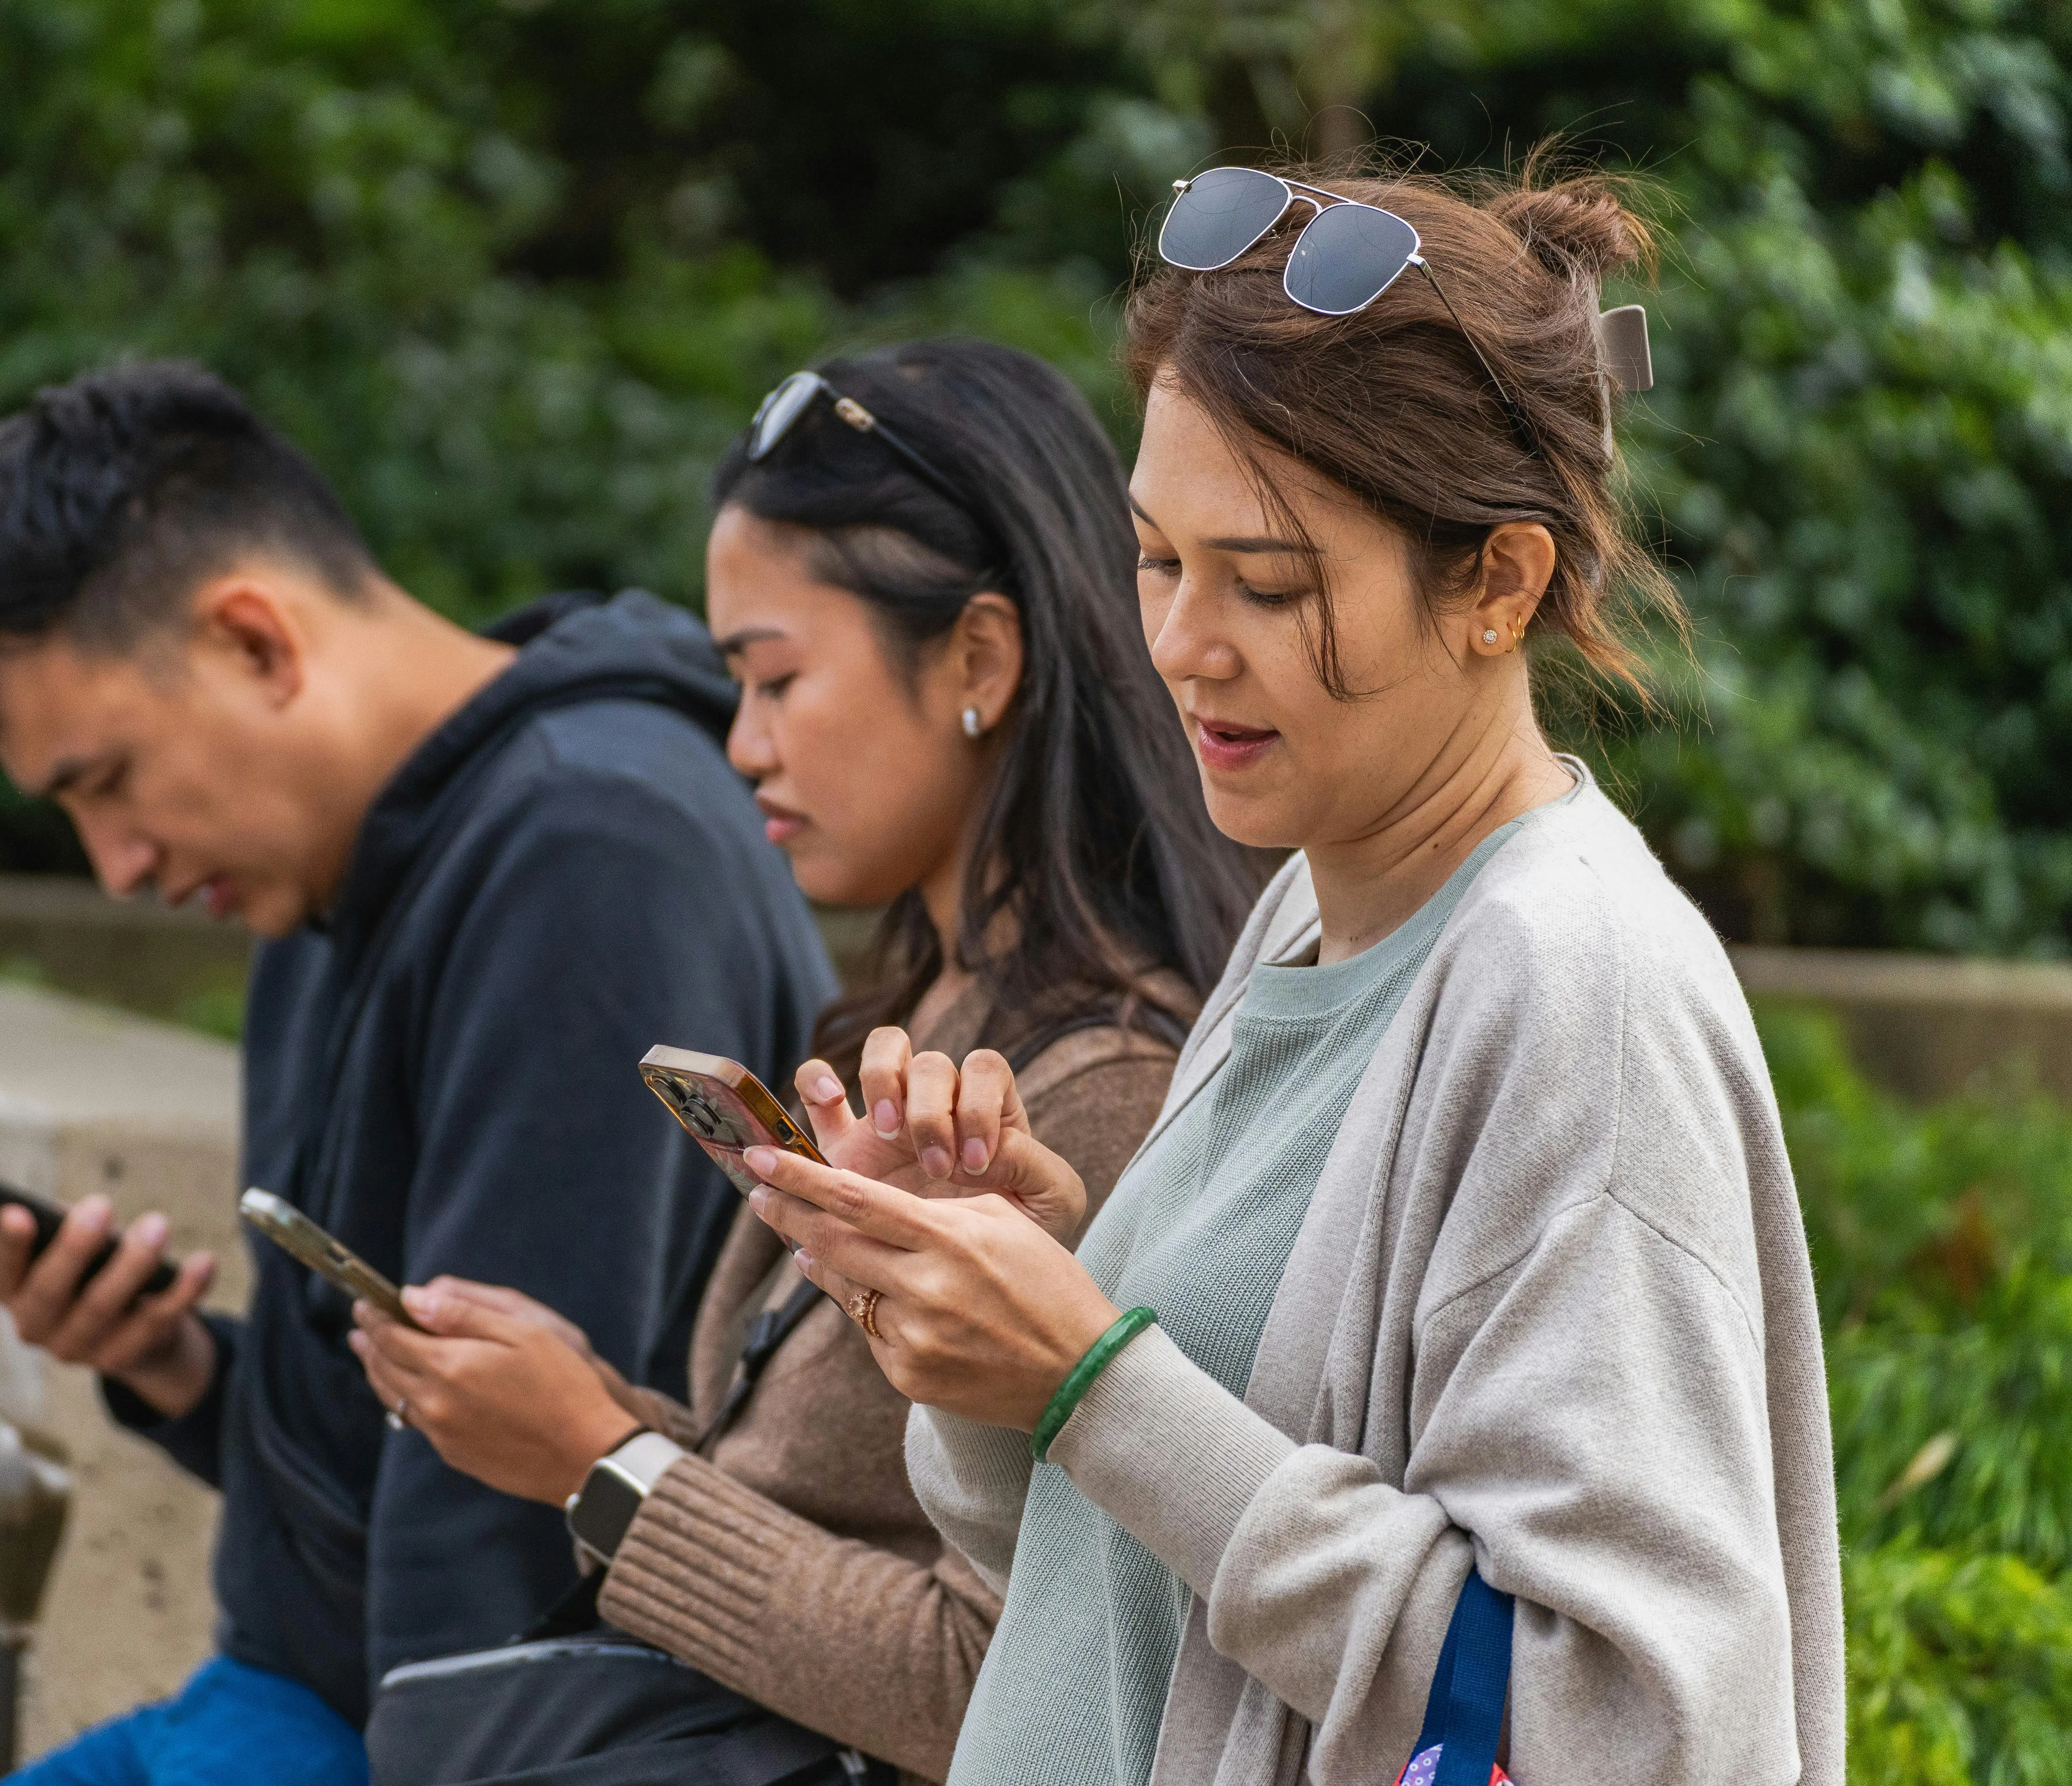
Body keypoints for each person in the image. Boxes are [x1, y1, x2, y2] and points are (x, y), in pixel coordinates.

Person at [746, 167, 1843, 1785]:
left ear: (1499, 585)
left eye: (1265, 584)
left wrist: (1095, 1378)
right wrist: (995, 1324)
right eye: (1153, 559)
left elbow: (1624, 1726)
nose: (1181, 641)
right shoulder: (1308, 911)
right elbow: (1101, 1568)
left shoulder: (1572, 996)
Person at [0, 361, 838, 1783]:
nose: (118, 867)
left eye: (107, 781)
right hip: (289, 1692)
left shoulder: (591, 855)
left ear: (256, 642)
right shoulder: (325, 872)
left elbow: (514, 1505)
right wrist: (181, 1367)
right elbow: (403, 1416)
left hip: (482, 1737)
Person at [349, 339, 1274, 1782]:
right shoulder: (910, 1015)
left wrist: (600, 1466)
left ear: (978, 656)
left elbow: (1007, 1677)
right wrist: (584, 1416)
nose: (740, 746)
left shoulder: (1094, 1087)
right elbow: (825, 1507)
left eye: (775, 680)